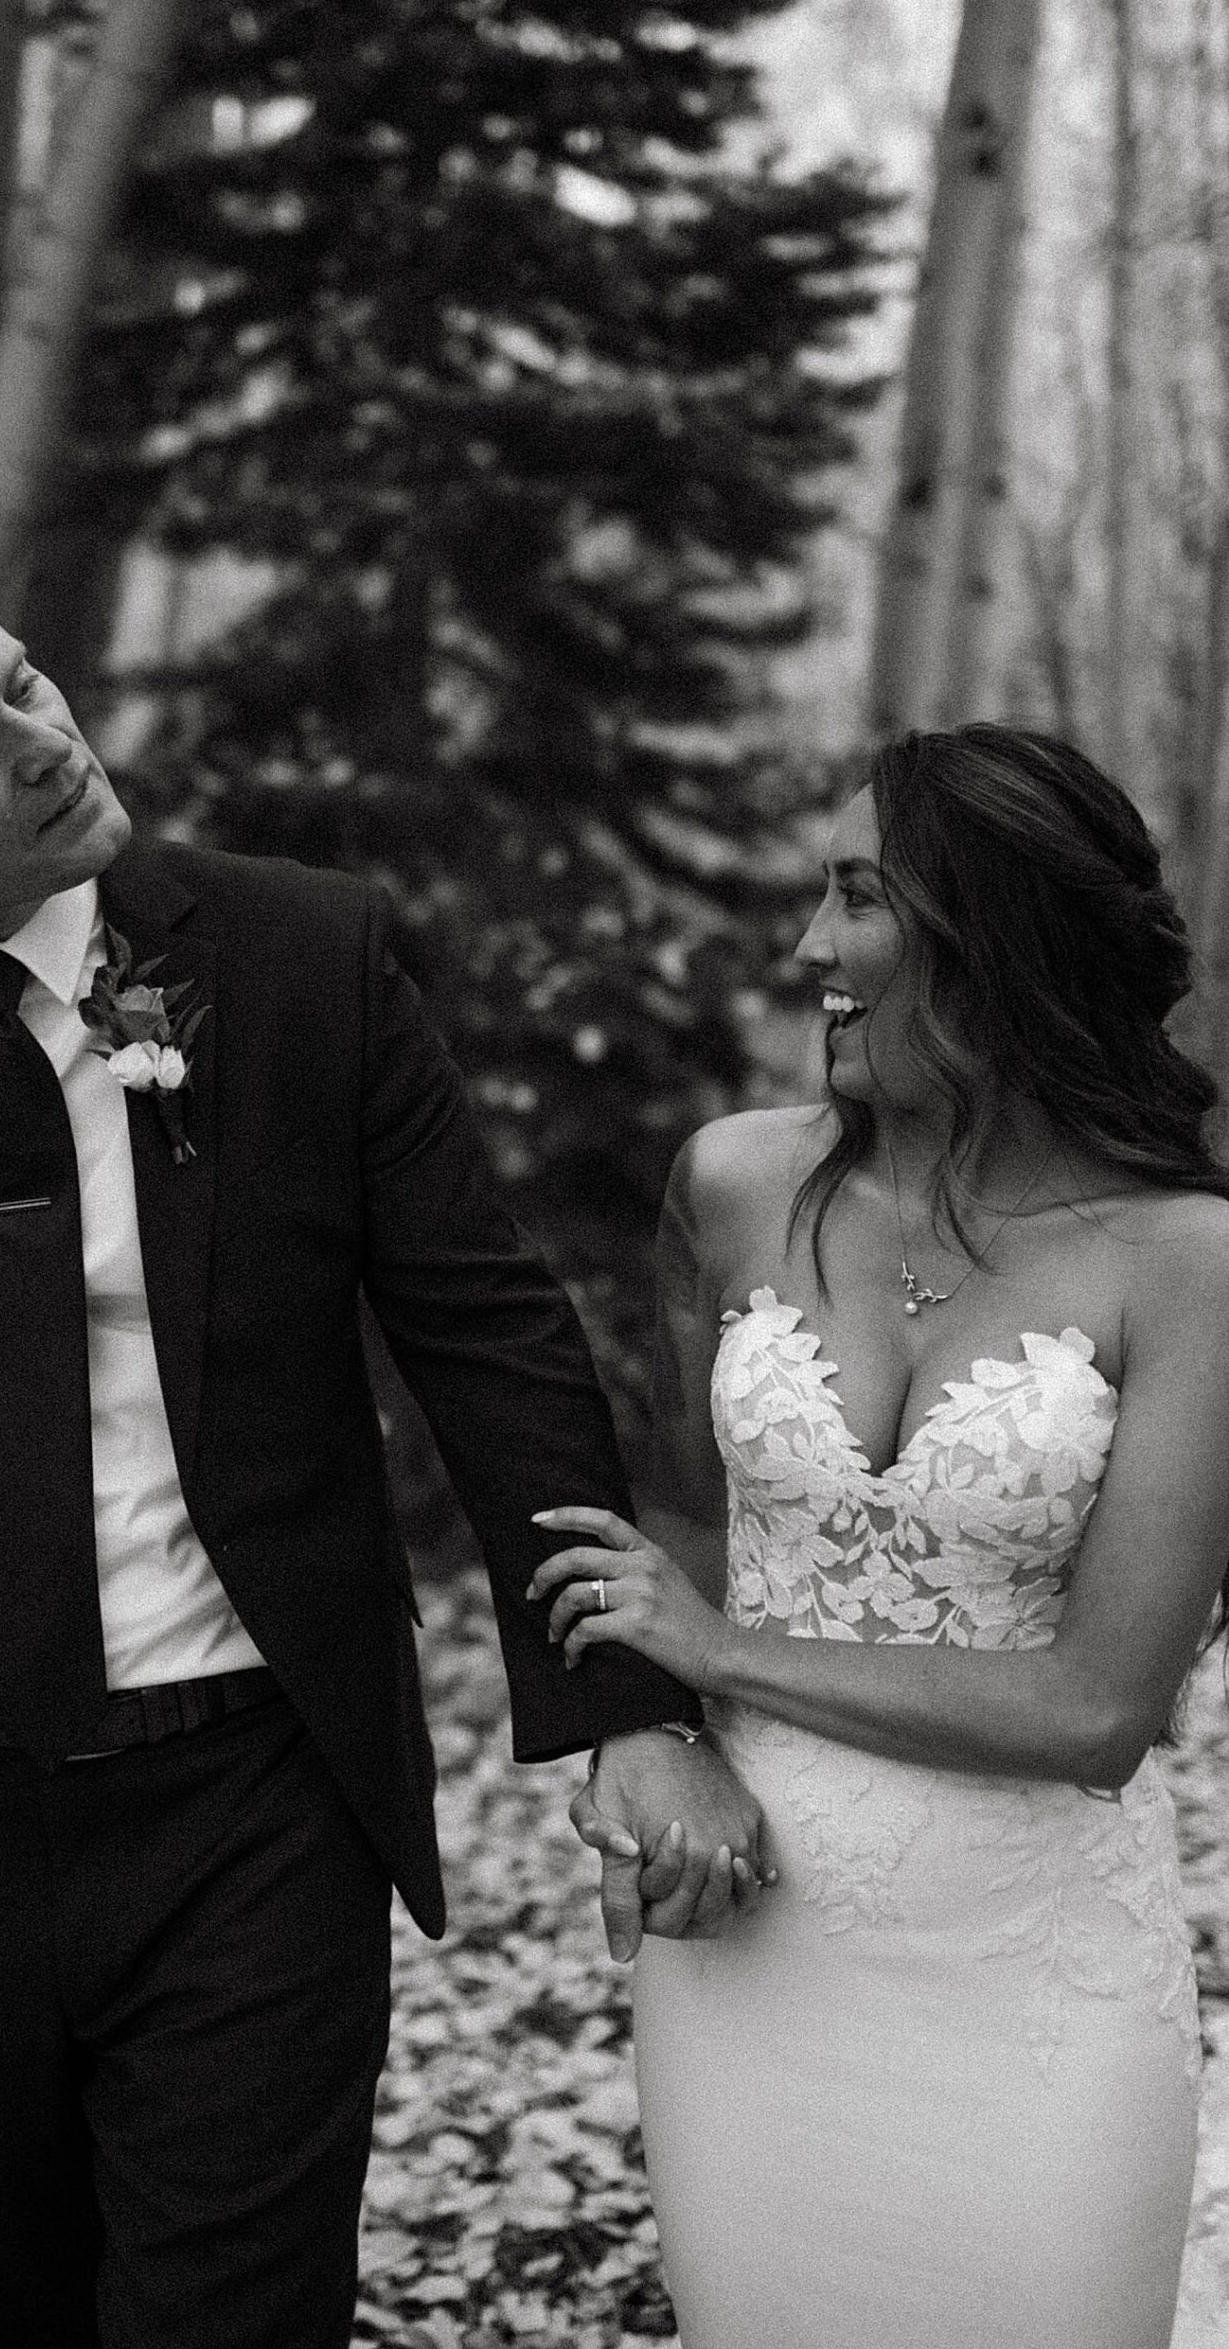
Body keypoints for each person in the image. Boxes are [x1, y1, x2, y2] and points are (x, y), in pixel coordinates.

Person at [0, 507, 766, 2349]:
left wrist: (635, 1704)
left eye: (22, 679)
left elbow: (490, 1341)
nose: (50, 739)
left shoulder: (296, 960)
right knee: (8, 2312)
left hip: (251, 1798)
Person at [531, 723, 1229, 2349]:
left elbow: (1098, 1711)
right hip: (749, 1955)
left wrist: (718, 1656)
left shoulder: (1186, 1261)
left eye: (859, 897)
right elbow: (678, 1527)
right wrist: (655, 1737)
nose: (807, 947)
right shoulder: (730, 1186)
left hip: (1036, 1985)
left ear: (998, 940)